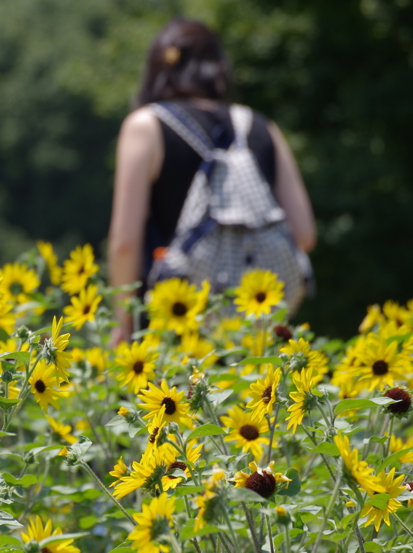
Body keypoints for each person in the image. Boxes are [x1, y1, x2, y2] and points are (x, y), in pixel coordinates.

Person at [107, 19, 316, 344]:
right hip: (254, 331)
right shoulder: (261, 127)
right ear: (219, 68)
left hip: (173, 329)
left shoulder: (145, 126)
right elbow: (303, 235)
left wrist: (125, 324)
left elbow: (124, 243)